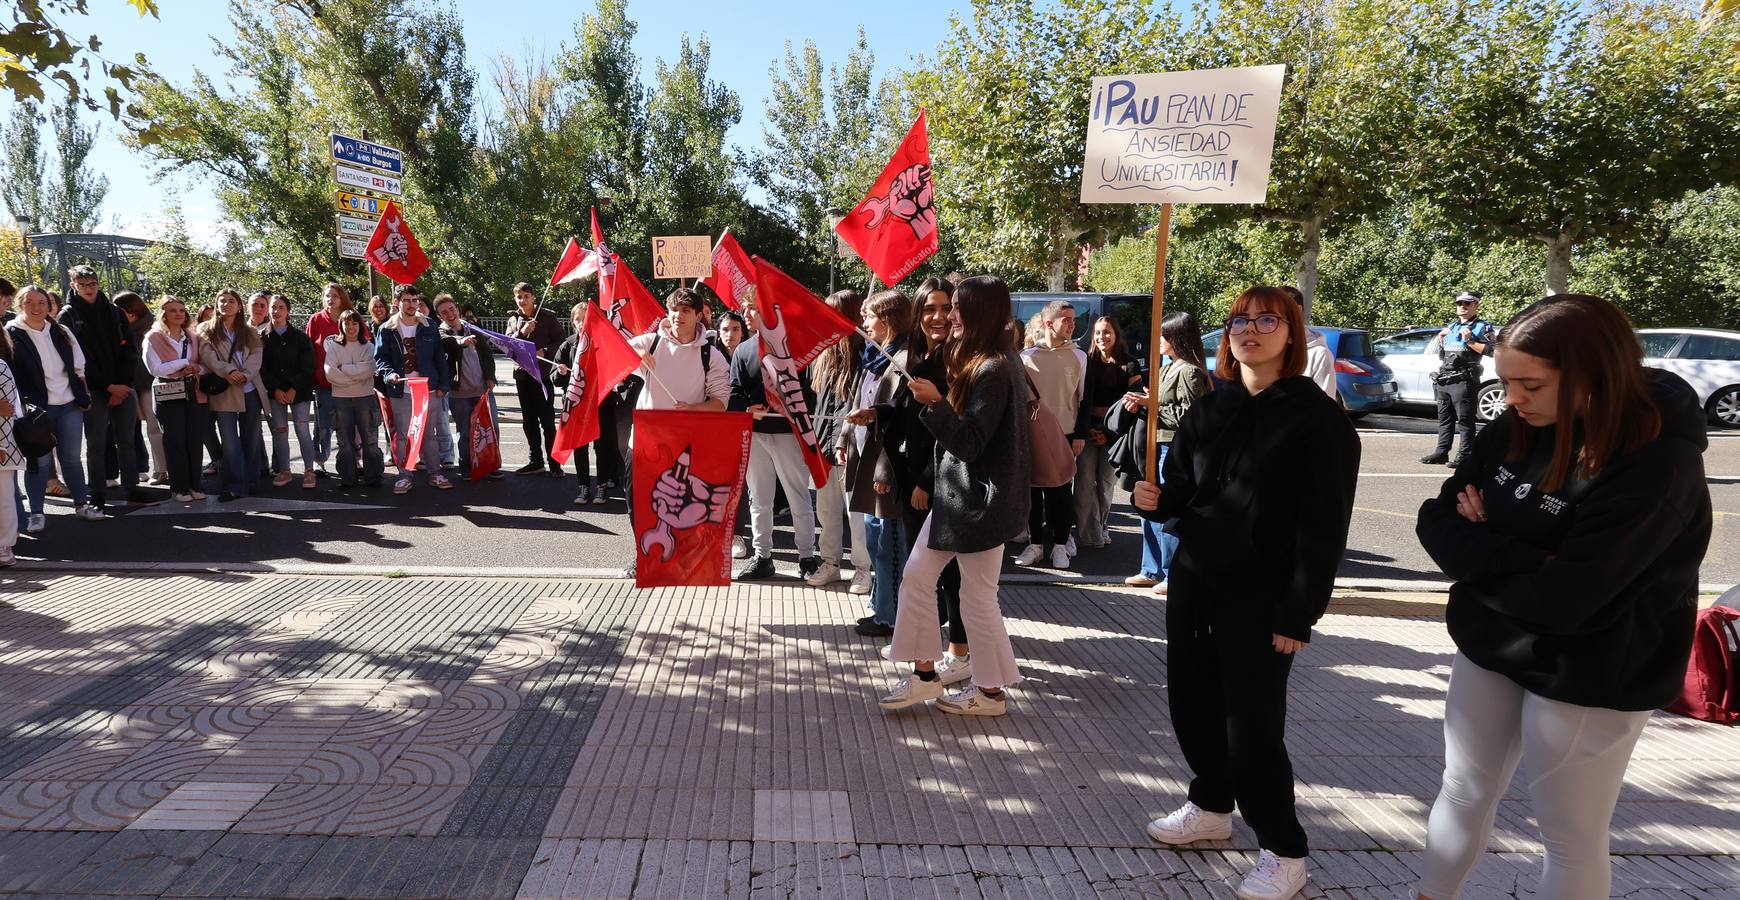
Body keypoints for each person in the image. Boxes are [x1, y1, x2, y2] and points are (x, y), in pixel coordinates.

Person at [1412, 294, 1711, 900]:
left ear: (1595, 378)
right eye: (1505, 382)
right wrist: (1522, 556)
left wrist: (1486, 539)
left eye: (1530, 385)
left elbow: (1569, 599)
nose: (1512, 400)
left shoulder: (1658, 463)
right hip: (1495, 642)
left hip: (1596, 666)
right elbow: (1437, 517)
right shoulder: (1518, 425)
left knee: (1569, 833)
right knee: (1462, 789)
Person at [1130, 286, 1359, 900]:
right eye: (1238, 320)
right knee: (1192, 703)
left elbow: (1323, 528)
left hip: (1263, 598)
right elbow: (1181, 492)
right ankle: (1209, 804)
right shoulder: (1212, 408)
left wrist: (1298, 611)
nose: (1249, 330)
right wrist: (1154, 499)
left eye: (1266, 319)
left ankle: (1284, 849)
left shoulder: (1318, 420)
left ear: (1294, 334)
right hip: (1197, 583)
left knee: (1251, 726)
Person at [878, 275, 1029, 718]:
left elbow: (970, 442)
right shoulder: (992, 361)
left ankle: (988, 692)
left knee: (974, 596)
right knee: (922, 578)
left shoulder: (994, 368)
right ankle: (929, 676)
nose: (951, 315)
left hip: (976, 503)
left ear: (978, 312)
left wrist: (935, 403)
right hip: (963, 499)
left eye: (959, 307)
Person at [623, 287, 730, 579]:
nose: (678, 315)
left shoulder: (712, 355)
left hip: (686, 446)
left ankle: (684, 559)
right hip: (644, 440)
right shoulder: (651, 342)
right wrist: (635, 351)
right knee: (638, 501)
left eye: (685, 311)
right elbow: (613, 348)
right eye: (673, 310)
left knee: (680, 504)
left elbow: (720, 403)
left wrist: (693, 409)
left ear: (699, 315)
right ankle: (642, 557)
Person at [730, 297, 820, 582]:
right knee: (759, 498)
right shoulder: (743, 350)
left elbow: (810, 389)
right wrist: (747, 409)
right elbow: (734, 392)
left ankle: (807, 557)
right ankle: (763, 556)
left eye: (752, 308)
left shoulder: (793, 345)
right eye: (744, 308)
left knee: (798, 496)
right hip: (756, 434)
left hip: (788, 434)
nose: (746, 314)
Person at [1121, 312, 1211, 594]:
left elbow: (1191, 415)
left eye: (1163, 335)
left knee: (1167, 510)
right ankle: (1150, 568)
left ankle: (1172, 572)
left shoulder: (1190, 371)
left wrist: (1153, 404)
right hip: (1154, 445)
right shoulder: (1167, 367)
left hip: (1173, 447)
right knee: (1147, 507)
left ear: (1176, 337)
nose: (1158, 341)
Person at [841, 289, 915, 633]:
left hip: (888, 467)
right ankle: (880, 604)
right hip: (866, 461)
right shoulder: (874, 356)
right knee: (874, 538)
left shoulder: (905, 359)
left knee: (889, 543)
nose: (864, 323)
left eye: (869, 316)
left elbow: (899, 421)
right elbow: (858, 400)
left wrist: (885, 469)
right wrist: (844, 439)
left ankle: (893, 616)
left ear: (887, 319)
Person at [8, 285, 100, 526]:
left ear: (49, 306)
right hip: (36, 410)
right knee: (39, 462)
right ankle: (37, 514)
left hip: (68, 404)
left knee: (71, 458)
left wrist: (83, 396)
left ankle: (82, 505)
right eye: (29, 302)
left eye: (41, 302)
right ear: (20, 304)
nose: (36, 307)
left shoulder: (61, 331)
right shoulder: (12, 333)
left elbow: (78, 365)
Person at [59, 264, 149, 510]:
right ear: (73, 286)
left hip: (123, 386)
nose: (88, 289)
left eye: (92, 284)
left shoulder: (114, 312)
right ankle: (97, 492)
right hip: (94, 389)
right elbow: (78, 358)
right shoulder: (67, 315)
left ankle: (132, 488)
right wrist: (108, 386)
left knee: (127, 440)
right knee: (96, 443)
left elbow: (129, 350)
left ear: (98, 284)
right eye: (83, 285)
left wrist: (122, 385)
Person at [1015, 299, 1087, 569]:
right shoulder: (1026, 357)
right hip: (1032, 434)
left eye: (1073, 320)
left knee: (1060, 492)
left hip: (1065, 434)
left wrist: (1080, 434)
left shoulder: (1079, 356)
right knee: (1032, 492)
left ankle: (1060, 545)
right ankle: (1035, 545)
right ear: (1048, 323)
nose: (1071, 325)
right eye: (1065, 319)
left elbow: (1083, 399)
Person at [808, 289, 871, 591]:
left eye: (832, 312)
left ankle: (863, 568)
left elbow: (856, 402)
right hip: (822, 443)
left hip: (850, 445)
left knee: (854, 511)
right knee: (826, 510)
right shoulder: (822, 353)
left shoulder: (865, 354)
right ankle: (830, 562)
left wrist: (843, 441)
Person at [373, 284, 452, 494]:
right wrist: (390, 374)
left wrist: (444, 385)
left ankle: (435, 473)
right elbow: (380, 358)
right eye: (406, 300)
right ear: (398, 302)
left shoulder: (429, 325)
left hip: (428, 389)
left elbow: (439, 357)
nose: (411, 304)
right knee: (402, 436)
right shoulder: (386, 329)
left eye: (414, 300)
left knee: (429, 435)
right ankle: (404, 476)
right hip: (401, 391)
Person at [1075, 316, 1141, 549]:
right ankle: (1086, 534)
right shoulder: (1087, 362)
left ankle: (1101, 526)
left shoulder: (1130, 365)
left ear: (1116, 335)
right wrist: (1087, 429)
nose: (1102, 337)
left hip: (1115, 433)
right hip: (1086, 429)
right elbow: (1081, 399)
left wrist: (1107, 430)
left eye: (1107, 332)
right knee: (1083, 482)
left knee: (1105, 483)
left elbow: (1131, 402)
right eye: (1098, 333)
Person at [198, 289, 269, 502]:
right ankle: (234, 485)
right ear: (217, 304)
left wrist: (245, 374)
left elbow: (257, 356)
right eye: (222, 301)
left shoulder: (249, 331)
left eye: (231, 301)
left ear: (239, 306)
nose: (226, 304)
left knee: (252, 438)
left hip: (249, 389)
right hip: (224, 390)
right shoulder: (205, 329)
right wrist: (229, 372)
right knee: (230, 442)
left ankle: (251, 481)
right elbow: (208, 357)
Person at [143, 296, 208, 503]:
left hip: (193, 389)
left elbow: (204, 365)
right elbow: (154, 368)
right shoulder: (153, 337)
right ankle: (179, 488)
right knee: (175, 441)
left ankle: (195, 485)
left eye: (182, 310)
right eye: (173, 310)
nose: (179, 314)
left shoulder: (192, 336)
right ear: (163, 314)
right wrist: (182, 363)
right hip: (167, 390)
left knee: (194, 440)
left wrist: (196, 367)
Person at [1422, 290, 1495, 467]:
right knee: (1444, 418)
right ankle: (1441, 452)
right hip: (1445, 379)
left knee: (1464, 420)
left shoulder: (1482, 327)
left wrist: (1470, 341)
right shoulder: (1451, 328)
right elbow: (1443, 356)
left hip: (1464, 380)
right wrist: (1441, 341)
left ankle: (1464, 456)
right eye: (1459, 303)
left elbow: (1492, 351)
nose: (1462, 307)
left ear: (1476, 305)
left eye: (1467, 303)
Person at [435, 293, 498, 480]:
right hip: (459, 393)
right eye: (444, 312)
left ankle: (492, 464)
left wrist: (490, 377)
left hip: (482, 390)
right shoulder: (440, 332)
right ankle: (467, 467)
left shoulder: (474, 329)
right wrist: (461, 342)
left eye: (451, 309)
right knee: (465, 432)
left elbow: (488, 356)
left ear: (457, 309)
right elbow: (449, 343)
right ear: (439, 316)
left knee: (491, 428)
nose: (449, 314)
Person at [506, 282, 566, 476]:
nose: (522, 300)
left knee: (547, 422)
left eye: (526, 296)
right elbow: (508, 345)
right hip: (523, 376)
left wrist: (545, 351)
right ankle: (536, 461)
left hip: (542, 376)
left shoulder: (547, 316)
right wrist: (522, 332)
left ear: (533, 297)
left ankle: (554, 463)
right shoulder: (513, 319)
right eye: (519, 297)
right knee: (529, 421)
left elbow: (561, 341)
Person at [260, 294, 318, 489]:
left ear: (288, 311)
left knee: (302, 429)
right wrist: (275, 388)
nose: (277, 311)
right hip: (274, 393)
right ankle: (285, 470)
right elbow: (261, 369)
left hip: (299, 392)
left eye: (281, 307)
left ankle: (309, 471)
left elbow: (309, 367)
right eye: (274, 307)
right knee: (280, 431)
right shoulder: (262, 338)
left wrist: (294, 386)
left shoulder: (301, 338)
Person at [324, 309, 384, 489]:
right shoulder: (334, 346)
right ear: (341, 326)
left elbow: (369, 369)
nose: (351, 327)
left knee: (370, 438)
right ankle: (348, 478)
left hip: (365, 397)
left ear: (360, 325)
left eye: (354, 323)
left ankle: (373, 477)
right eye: (347, 323)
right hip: (341, 399)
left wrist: (345, 369)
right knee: (344, 440)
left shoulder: (369, 347)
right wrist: (355, 373)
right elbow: (330, 373)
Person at [114, 291, 168, 487]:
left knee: (155, 428)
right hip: (129, 385)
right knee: (133, 431)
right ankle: (143, 469)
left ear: (130, 312)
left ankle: (161, 469)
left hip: (151, 383)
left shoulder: (153, 327)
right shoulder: (120, 328)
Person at [550, 302, 601, 502]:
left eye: (585, 318)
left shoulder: (602, 342)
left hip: (598, 402)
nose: (581, 323)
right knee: (580, 446)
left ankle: (603, 485)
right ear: (572, 323)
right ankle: (583, 486)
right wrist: (561, 373)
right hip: (576, 404)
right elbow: (554, 377)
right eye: (577, 319)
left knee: (601, 446)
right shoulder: (568, 344)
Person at [304, 283, 354, 478]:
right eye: (327, 296)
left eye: (335, 295)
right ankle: (319, 460)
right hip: (324, 384)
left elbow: (364, 341)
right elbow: (308, 350)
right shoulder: (316, 320)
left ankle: (349, 461)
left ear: (342, 298)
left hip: (349, 384)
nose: (330, 299)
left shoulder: (351, 318)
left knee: (348, 425)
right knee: (323, 425)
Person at [1281, 286, 1338, 402]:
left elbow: (1326, 404)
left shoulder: (1319, 355)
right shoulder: (1270, 349)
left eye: (1279, 309)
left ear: (1298, 309)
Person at [0, 335, 20, 564]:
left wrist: (2, 444)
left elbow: (8, 412)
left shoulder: (1, 367)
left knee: (3, 498)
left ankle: (4, 546)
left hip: (2, 444)